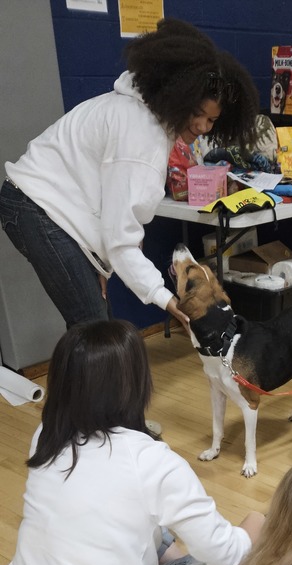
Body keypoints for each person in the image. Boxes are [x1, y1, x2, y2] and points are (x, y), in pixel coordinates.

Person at [4, 320, 264, 565]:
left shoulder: (46, 435)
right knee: (246, 552)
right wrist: (255, 526)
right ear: (135, 384)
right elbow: (227, 554)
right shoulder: (151, 461)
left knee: (130, 516)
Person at [0, 19, 259, 331]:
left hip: (48, 207)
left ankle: (89, 379)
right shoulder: (141, 136)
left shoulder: (146, 119)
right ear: (179, 96)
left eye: (212, 120)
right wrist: (168, 300)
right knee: (95, 329)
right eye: (198, 114)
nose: (203, 127)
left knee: (97, 327)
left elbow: (111, 211)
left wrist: (99, 264)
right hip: (35, 205)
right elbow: (121, 238)